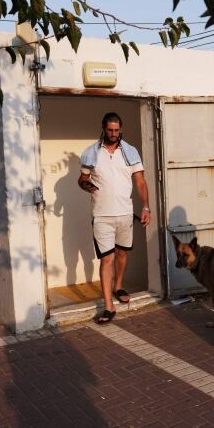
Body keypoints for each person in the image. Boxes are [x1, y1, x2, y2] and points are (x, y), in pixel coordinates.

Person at [78, 112, 151, 324]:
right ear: (103, 128)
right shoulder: (90, 153)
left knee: (121, 254)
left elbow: (140, 182)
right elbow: (82, 180)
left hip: (126, 213)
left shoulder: (130, 152)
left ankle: (118, 285)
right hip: (101, 215)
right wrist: (86, 185)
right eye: (110, 130)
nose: (113, 134)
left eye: (116, 130)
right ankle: (109, 306)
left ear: (120, 129)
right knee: (106, 259)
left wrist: (146, 206)